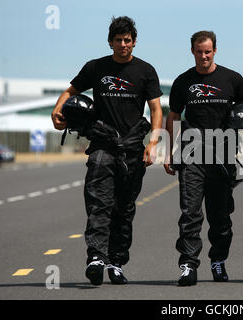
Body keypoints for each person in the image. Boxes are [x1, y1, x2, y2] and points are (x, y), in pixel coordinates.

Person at [51, 16, 163, 285]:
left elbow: (157, 109)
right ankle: (96, 257)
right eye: (118, 40)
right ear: (110, 42)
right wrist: (57, 110)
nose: (123, 44)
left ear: (134, 42)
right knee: (99, 202)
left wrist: (153, 143)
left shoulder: (145, 71)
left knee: (124, 209)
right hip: (102, 144)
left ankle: (116, 262)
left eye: (127, 40)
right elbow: (70, 90)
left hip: (133, 148)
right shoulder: (96, 67)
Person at [164, 30, 243, 286]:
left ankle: (218, 260)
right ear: (192, 52)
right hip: (191, 154)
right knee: (190, 213)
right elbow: (173, 116)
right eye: (199, 52)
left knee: (220, 217)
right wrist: (168, 151)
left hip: (223, 155)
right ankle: (188, 265)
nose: (203, 56)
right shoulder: (183, 81)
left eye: (208, 51)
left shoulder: (231, 78)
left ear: (215, 51)